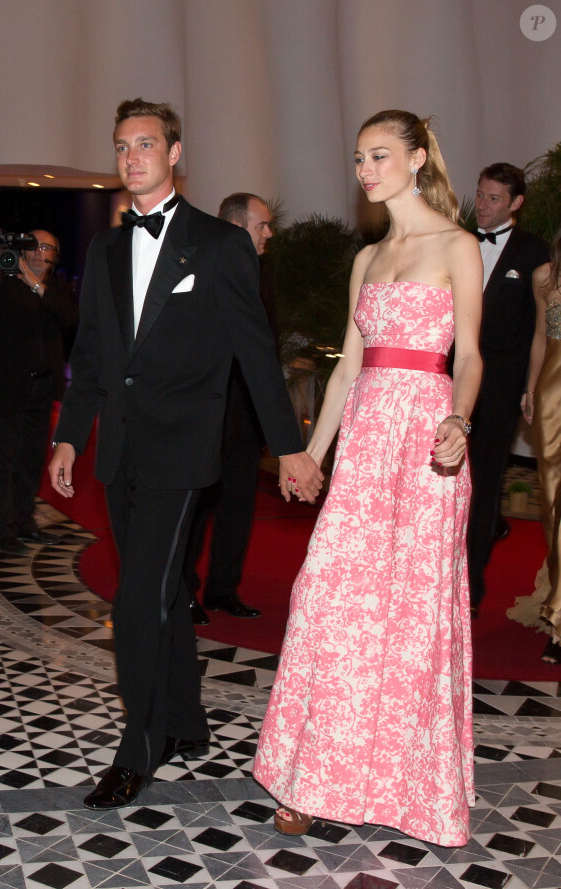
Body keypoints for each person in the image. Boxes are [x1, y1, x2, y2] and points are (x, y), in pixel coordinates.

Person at [48, 98, 323, 811]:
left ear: (175, 152)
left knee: (137, 594)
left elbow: (257, 356)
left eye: (145, 144)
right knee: (163, 590)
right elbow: (94, 359)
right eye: (121, 146)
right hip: (121, 452)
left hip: (182, 451)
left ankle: (138, 746)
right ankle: (187, 717)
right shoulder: (106, 248)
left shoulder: (220, 243)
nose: (132, 156)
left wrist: (289, 448)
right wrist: (71, 435)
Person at [253, 109, 483, 848]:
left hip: (426, 441)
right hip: (364, 444)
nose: (365, 169)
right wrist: (313, 452)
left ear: (418, 159)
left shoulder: (458, 246)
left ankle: (406, 786)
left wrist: (462, 420)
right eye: (358, 158)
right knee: (329, 599)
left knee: (411, 618)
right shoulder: (368, 259)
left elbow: (471, 356)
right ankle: (311, 776)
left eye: (379, 155)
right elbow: (349, 366)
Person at [184, 193, 275, 625]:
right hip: (206, 416)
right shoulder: (201, 267)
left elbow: (265, 351)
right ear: (238, 227)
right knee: (196, 510)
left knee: (238, 510)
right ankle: (183, 591)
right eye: (262, 226)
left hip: (244, 419)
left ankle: (224, 589)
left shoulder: (263, 274)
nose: (269, 234)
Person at [467, 164, 549, 613]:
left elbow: (541, 330)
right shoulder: (458, 241)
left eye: (494, 198)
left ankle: (470, 585)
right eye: (480, 195)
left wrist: (531, 387)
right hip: (453, 376)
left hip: (500, 383)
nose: (482, 205)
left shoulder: (534, 252)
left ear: (515, 203)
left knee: (484, 480)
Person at [0, 231, 77, 556]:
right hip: (10, 389)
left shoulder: (58, 289)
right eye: (32, 246)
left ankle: (24, 523)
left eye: (45, 247)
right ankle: (2, 532)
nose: (37, 252)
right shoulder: (6, 285)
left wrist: (34, 282)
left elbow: (69, 317)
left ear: (55, 255)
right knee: (4, 464)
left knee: (32, 461)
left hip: (43, 388)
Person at [518, 225, 561, 663]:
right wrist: (530, 389)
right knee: (551, 508)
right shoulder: (545, 277)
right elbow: (539, 338)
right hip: (552, 399)